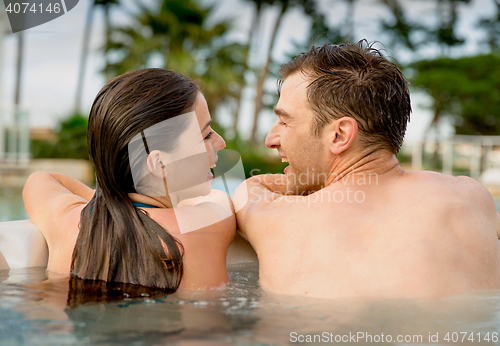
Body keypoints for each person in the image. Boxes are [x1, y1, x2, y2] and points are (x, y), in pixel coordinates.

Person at [234, 41, 500, 299]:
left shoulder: (281, 220)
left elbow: (249, 191)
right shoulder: (472, 198)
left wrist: (296, 185)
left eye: (283, 121)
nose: (271, 138)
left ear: (339, 135)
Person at [23, 69, 235, 292]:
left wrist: (114, 196)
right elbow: (221, 199)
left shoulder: (67, 223)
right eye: (206, 135)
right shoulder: (208, 223)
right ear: (160, 164)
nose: (220, 142)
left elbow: (40, 179)